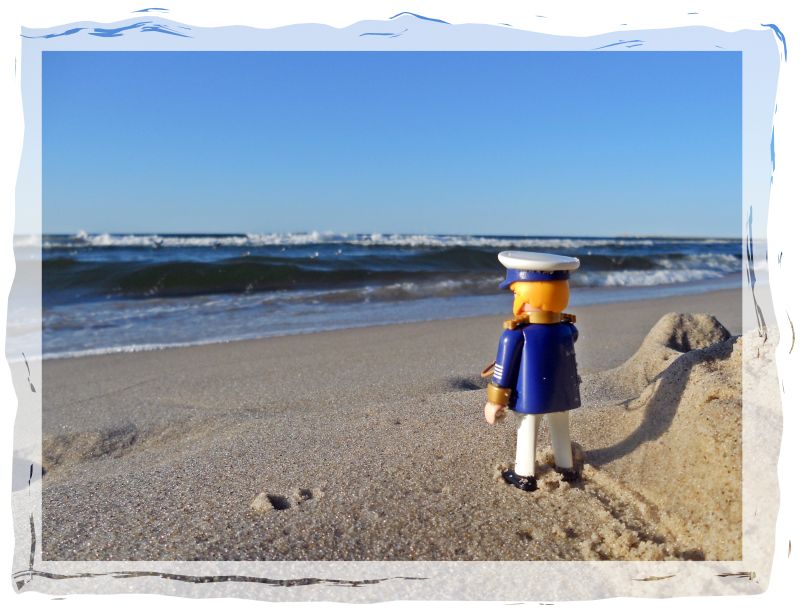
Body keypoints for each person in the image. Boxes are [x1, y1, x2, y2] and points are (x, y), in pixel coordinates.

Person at [483, 251, 582, 491]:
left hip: (530, 395)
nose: (514, 298)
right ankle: (566, 468)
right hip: (563, 393)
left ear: (525, 296)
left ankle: (524, 474)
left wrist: (495, 401)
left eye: (516, 293)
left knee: (527, 428)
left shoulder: (515, 334)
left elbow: (503, 369)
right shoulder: (567, 329)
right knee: (561, 427)